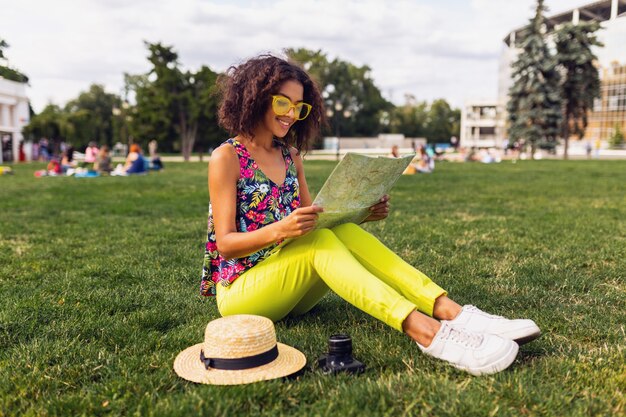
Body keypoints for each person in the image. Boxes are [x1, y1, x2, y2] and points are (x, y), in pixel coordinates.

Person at [201, 55, 540, 376]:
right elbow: (227, 245)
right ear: (256, 98)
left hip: (291, 290)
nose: (291, 113)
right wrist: (282, 229)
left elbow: (312, 224)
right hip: (242, 294)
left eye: (298, 106)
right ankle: (427, 332)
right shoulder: (227, 157)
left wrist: (361, 214)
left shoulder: (291, 155)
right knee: (320, 242)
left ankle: (451, 312)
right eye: (282, 102)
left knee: (334, 234)